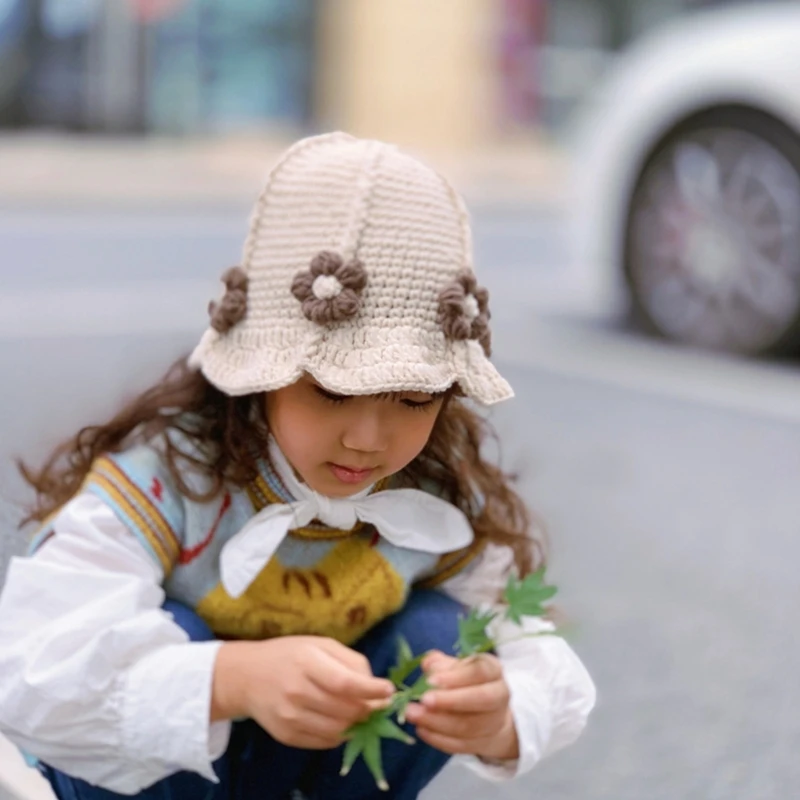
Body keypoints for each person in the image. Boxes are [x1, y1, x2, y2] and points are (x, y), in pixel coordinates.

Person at [0, 132, 595, 800]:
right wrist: (232, 678)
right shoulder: (171, 483)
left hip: (305, 771)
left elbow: (539, 655)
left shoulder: (433, 494)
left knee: (442, 637)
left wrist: (507, 708)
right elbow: (28, 671)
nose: (369, 439)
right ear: (264, 372)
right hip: (152, 777)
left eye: (414, 398)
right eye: (332, 391)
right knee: (178, 634)